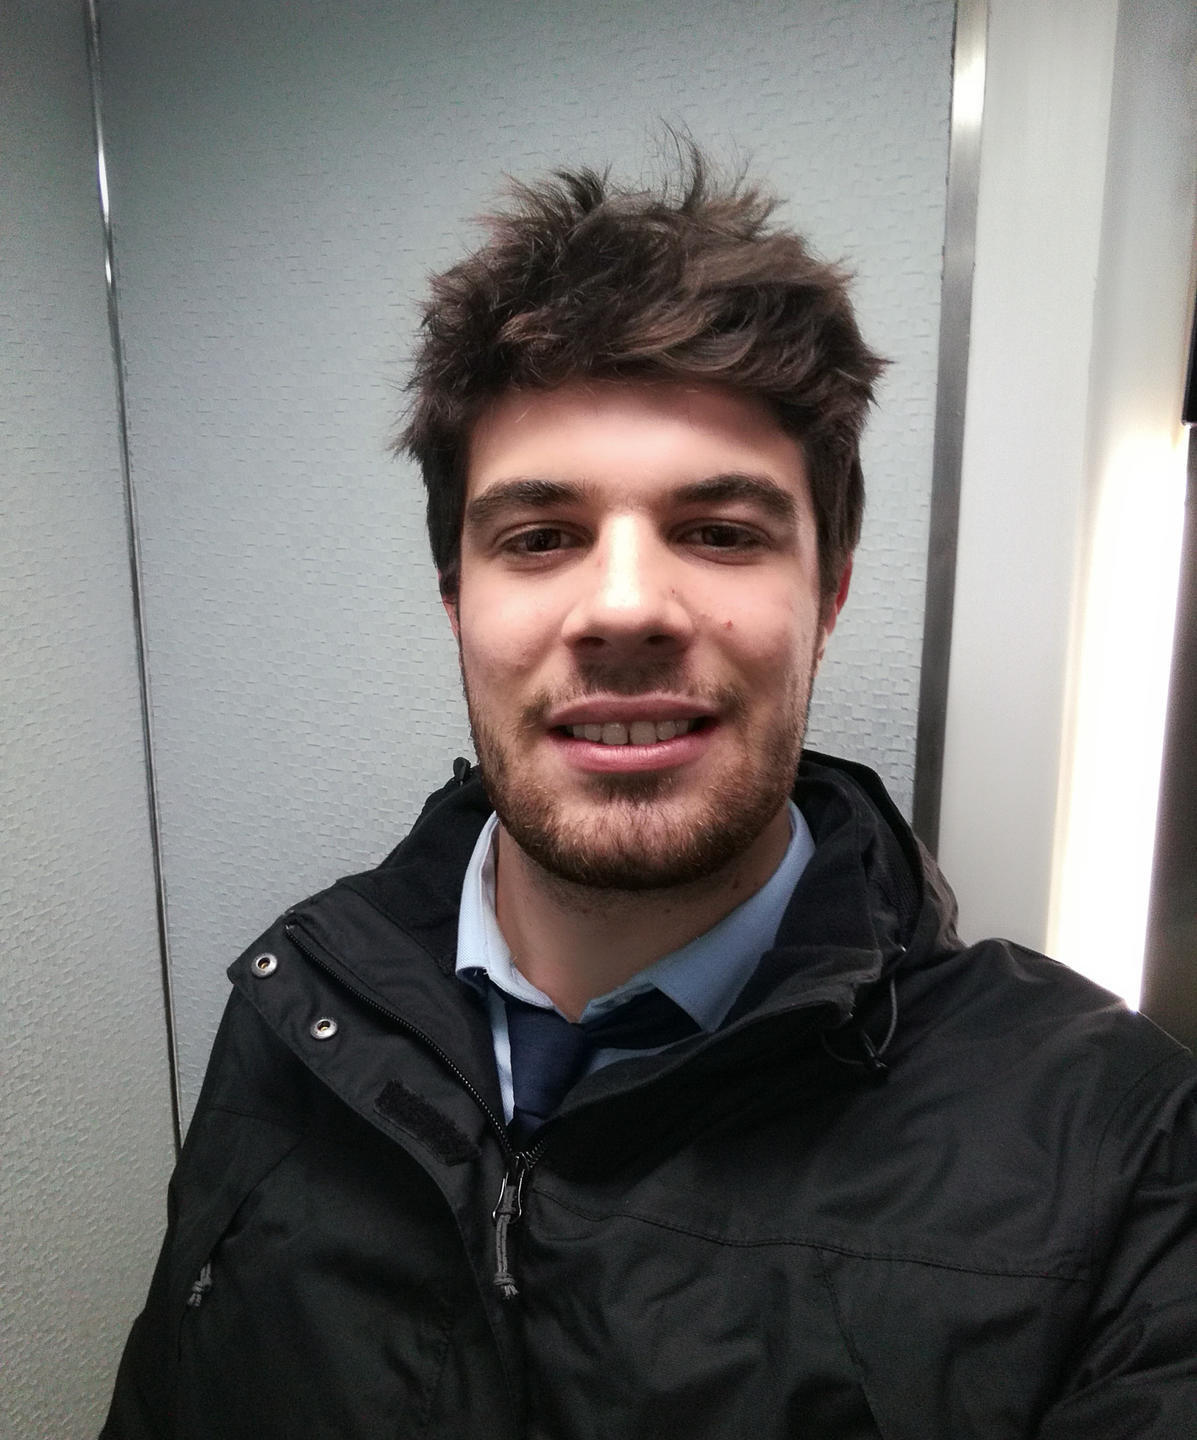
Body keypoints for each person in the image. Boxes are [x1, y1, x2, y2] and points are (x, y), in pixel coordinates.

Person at [103, 151, 1196, 1439]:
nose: (624, 608)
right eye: (540, 538)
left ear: (829, 596)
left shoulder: (1120, 1144)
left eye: (720, 532)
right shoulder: (297, 1012)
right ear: (457, 603)